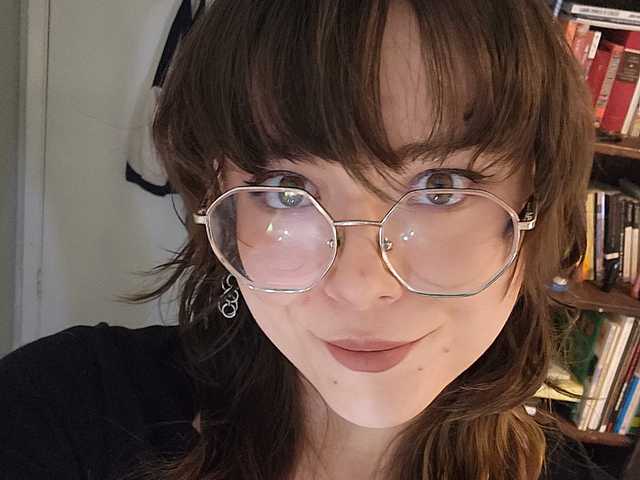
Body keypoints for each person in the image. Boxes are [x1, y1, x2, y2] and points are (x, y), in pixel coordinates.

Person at [0, 1, 617, 479]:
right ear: (220, 205)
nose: (359, 287)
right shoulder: (63, 411)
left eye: (440, 187)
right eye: (287, 190)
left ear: (534, 201)